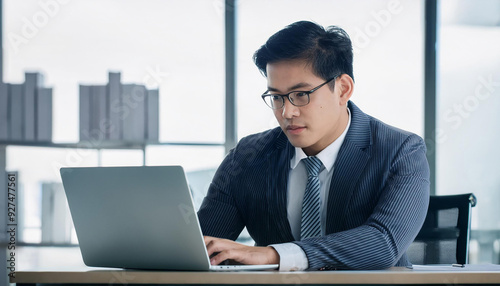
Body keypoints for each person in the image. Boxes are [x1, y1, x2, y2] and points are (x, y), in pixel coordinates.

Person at [198, 20, 430, 271]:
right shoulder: (247, 157)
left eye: (301, 95)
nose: (287, 112)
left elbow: (384, 243)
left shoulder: (401, 152)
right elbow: (200, 247)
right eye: (276, 97)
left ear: (343, 89)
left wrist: (274, 255)